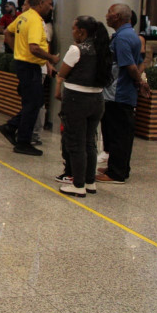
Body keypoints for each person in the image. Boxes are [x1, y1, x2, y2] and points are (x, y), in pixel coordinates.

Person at [55, 16, 113, 197]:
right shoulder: (103, 49)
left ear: (81, 31)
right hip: (97, 99)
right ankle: (90, 182)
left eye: (73, 28)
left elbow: (63, 73)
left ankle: (78, 185)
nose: (72, 32)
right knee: (90, 141)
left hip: (76, 100)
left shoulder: (76, 49)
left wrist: (58, 87)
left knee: (76, 142)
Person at [0, 0, 59, 156]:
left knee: (34, 102)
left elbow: (7, 33)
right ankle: (22, 141)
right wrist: (51, 58)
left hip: (24, 64)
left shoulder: (24, 16)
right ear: (40, 3)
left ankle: (11, 127)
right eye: (49, 3)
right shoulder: (34, 20)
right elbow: (34, 47)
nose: (51, 7)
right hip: (29, 66)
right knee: (33, 104)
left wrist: (17, 51)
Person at [97, 3, 150, 184]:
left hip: (117, 94)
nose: (107, 15)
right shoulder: (130, 36)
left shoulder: (122, 38)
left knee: (118, 133)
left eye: (110, 12)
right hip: (122, 93)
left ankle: (116, 173)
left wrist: (139, 82)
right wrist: (139, 81)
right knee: (120, 133)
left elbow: (131, 66)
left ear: (118, 17)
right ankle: (117, 167)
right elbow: (142, 62)